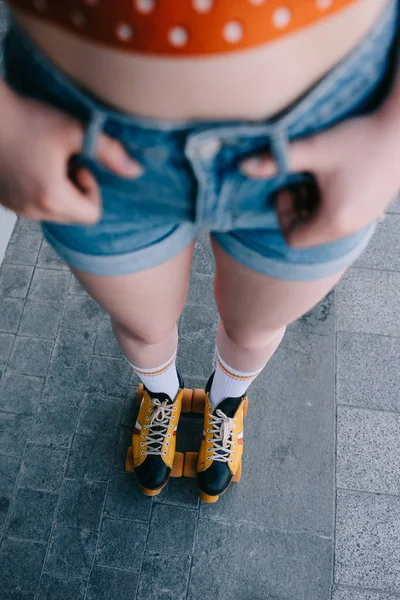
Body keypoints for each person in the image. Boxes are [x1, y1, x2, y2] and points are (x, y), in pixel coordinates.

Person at [0, 0, 399, 503]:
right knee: (144, 326)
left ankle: (227, 403)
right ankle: (160, 396)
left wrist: (393, 138)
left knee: (253, 328)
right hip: (82, 127)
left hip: (325, 125)